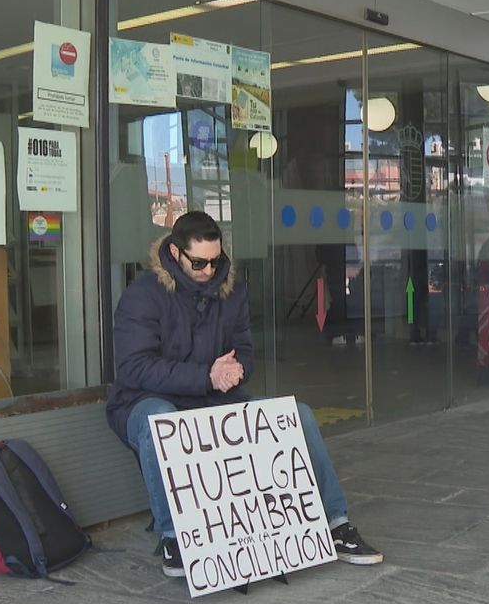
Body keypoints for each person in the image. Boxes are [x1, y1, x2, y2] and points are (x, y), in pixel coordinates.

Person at [106, 211, 383, 577]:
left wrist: (236, 370)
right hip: (146, 402)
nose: (209, 269)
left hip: (217, 398)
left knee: (297, 414)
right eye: (199, 262)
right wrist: (206, 375)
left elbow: (245, 351)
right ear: (175, 254)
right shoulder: (143, 295)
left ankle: (335, 522)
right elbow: (134, 368)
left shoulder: (231, 290)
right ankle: (174, 535)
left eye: (215, 260)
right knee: (161, 421)